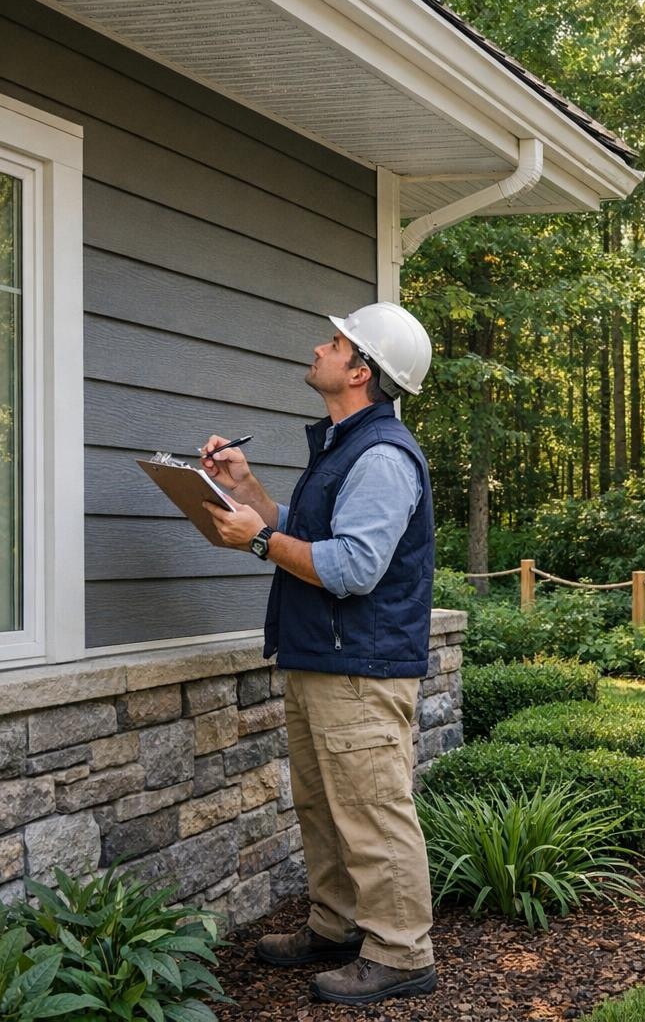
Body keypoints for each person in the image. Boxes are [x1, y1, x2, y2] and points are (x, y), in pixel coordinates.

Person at [199, 301, 437, 1007]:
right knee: (325, 808)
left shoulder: (383, 457)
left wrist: (255, 539)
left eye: (334, 343)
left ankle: (400, 953)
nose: (319, 347)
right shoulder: (343, 447)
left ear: (361, 371)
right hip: (321, 658)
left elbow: (351, 567)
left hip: (359, 670)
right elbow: (304, 535)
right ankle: (337, 927)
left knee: (370, 811)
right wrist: (246, 494)